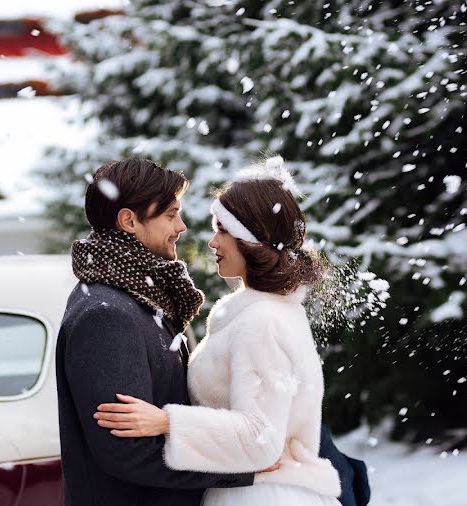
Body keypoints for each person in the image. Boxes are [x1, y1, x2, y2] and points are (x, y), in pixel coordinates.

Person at [94, 157, 347, 506]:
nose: (212, 242)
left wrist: (168, 421)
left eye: (223, 230)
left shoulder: (263, 322)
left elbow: (261, 437)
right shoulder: (258, 313)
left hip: (263, 496)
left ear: (252, 240)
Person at [55, 158, 258, 506]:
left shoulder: (140, 299)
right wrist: (247, 466)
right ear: (129, 221)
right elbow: (129, 454)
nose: (180, 226)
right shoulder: (106, 316)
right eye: (169, 214)